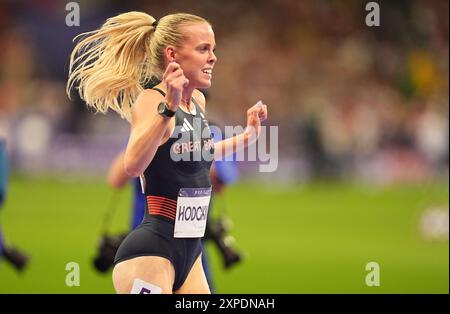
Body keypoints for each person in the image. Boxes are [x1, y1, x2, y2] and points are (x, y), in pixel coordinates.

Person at [67, 11, 267, 294]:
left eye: (213, 49)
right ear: (172, 54)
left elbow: (201, 152)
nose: (213, 57)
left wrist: (248, 136)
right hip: (152, 252)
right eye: (203, 49)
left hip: (191, 252)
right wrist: (167, 110)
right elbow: (133, 165)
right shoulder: (152, 100)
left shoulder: (197, 100)